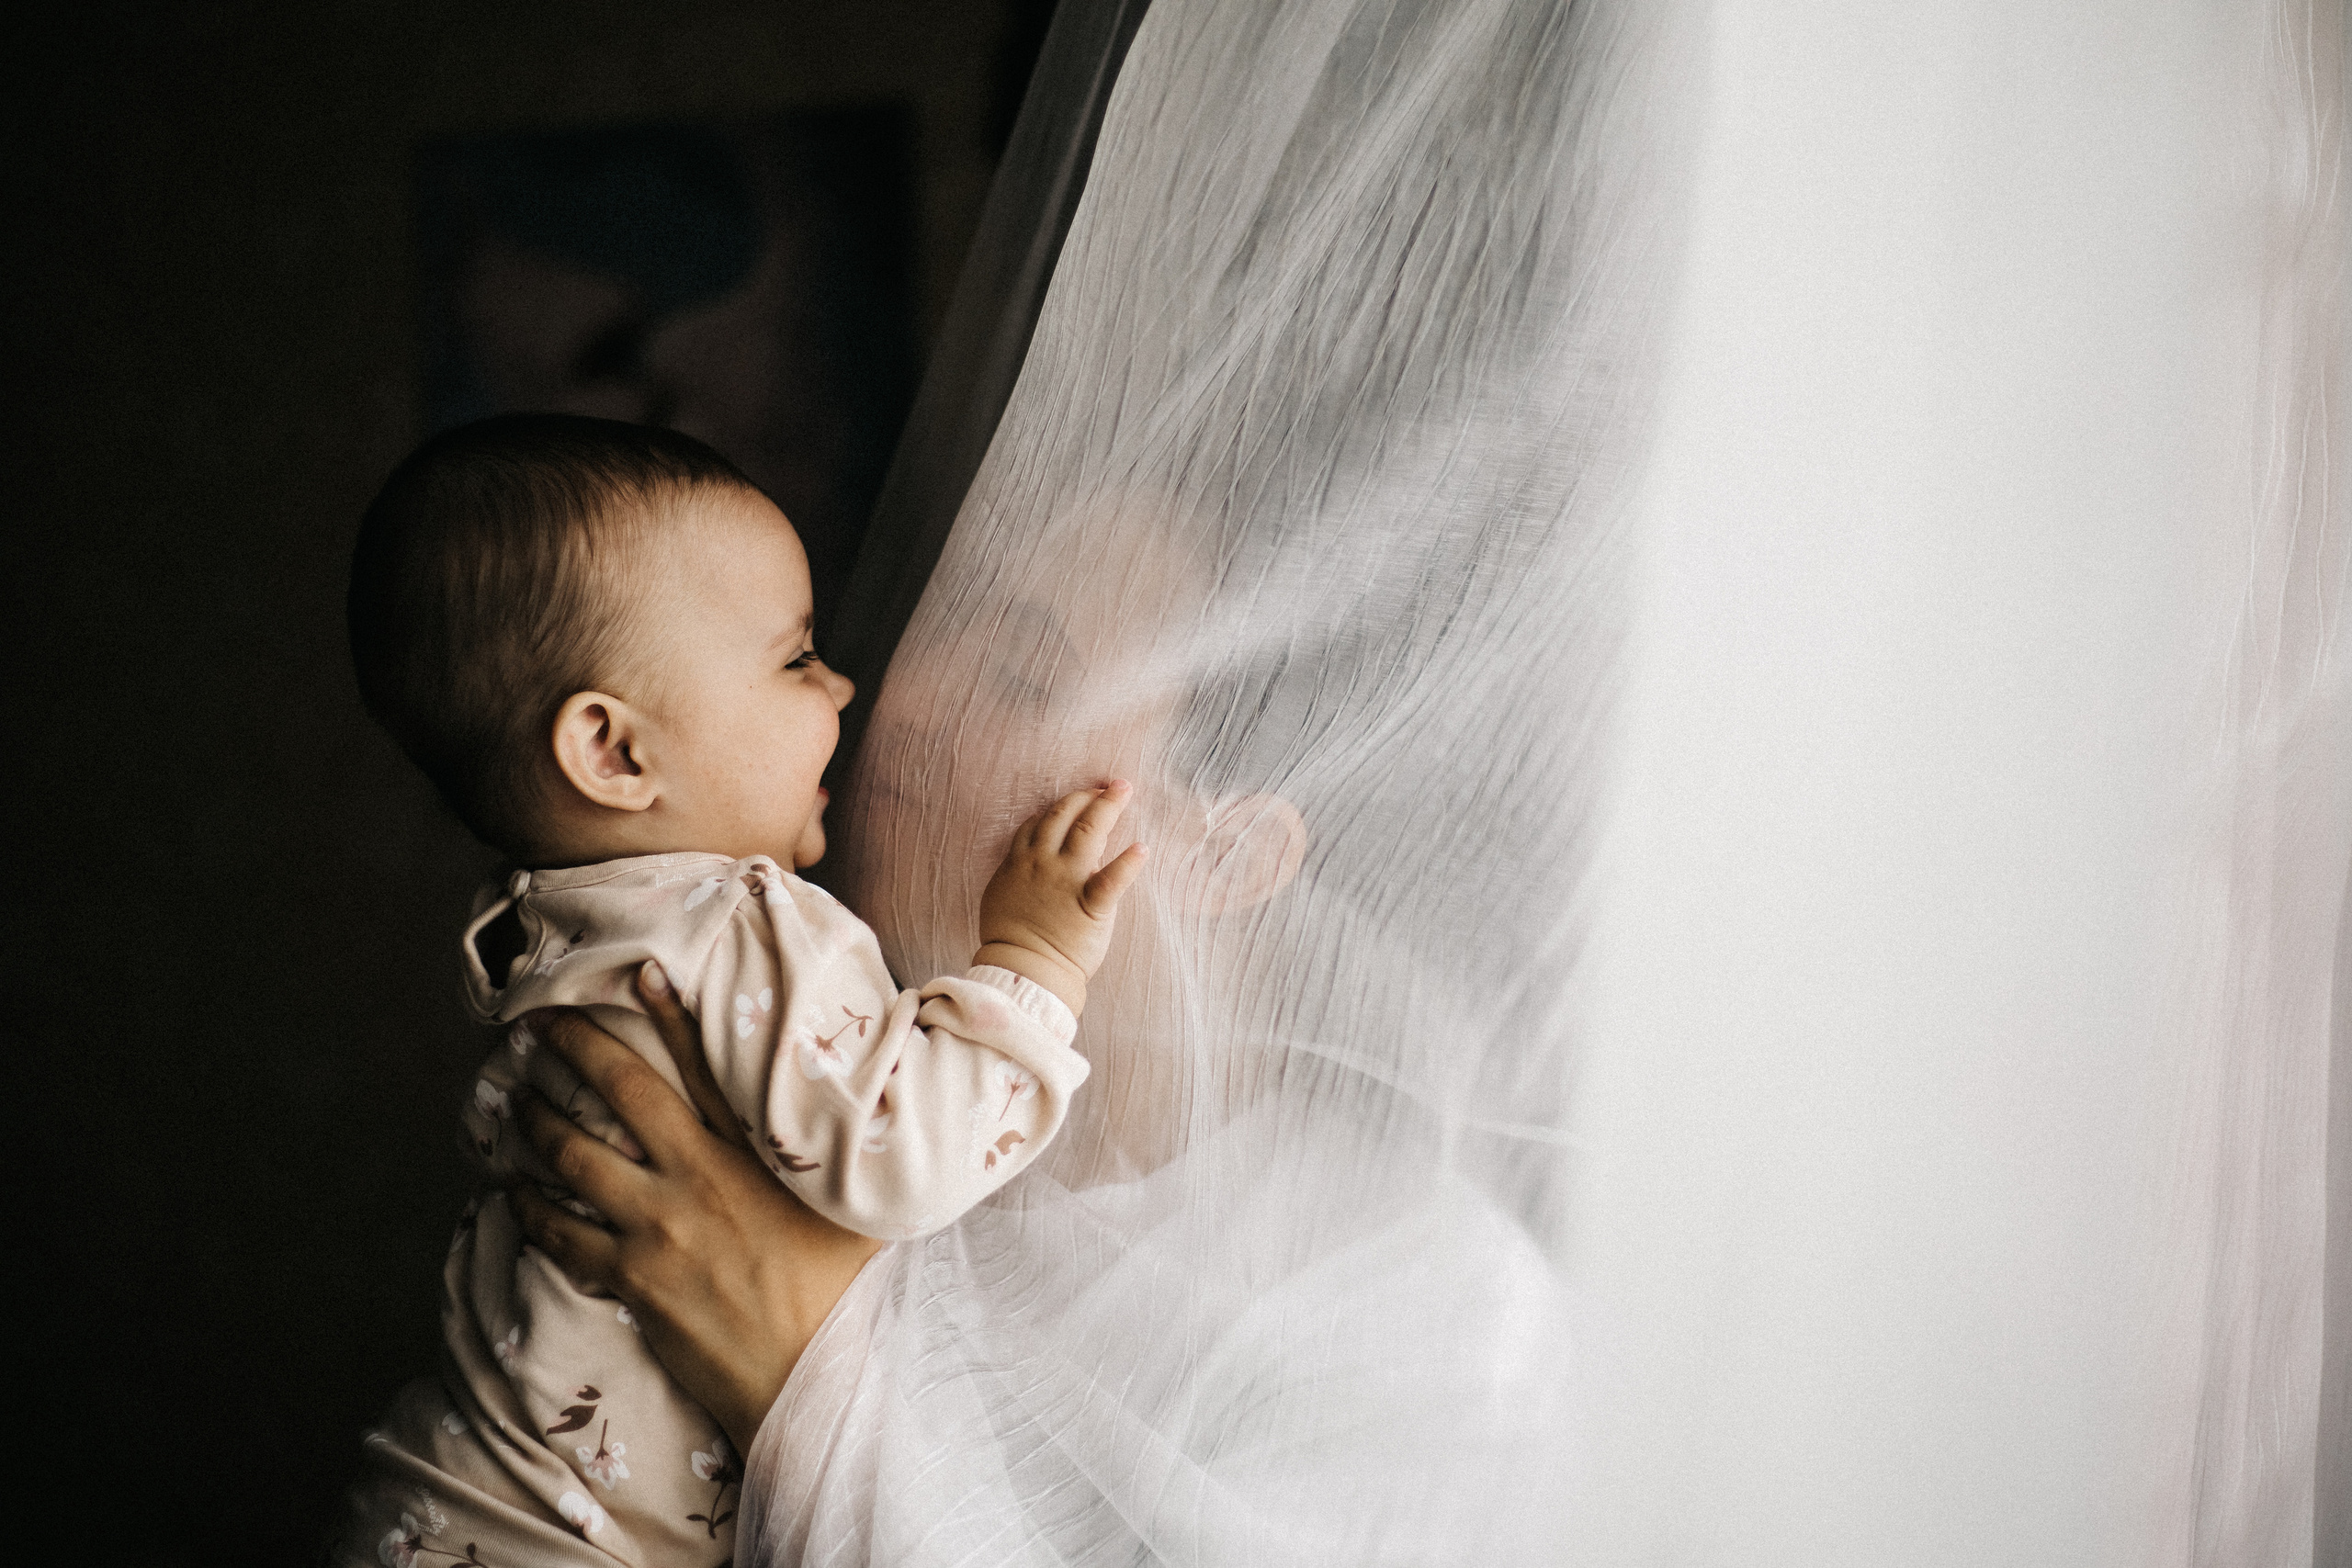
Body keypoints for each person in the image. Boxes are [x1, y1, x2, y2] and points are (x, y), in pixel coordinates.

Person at [334, 412, 1145, 1566]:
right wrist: (1032, 962)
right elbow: (898, 1156)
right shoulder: (738, 924)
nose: (848, 687)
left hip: (460, 1509)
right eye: (796, 659)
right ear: (615, 753)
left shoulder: (569, 923)